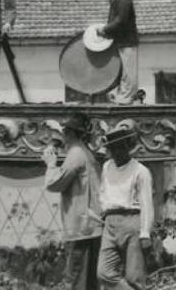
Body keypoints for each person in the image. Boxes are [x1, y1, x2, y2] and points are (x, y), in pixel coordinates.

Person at [42, 113, 103, 290]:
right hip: (91, 225)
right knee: (90, 280)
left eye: (65, 131)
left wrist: (51, 164)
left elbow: (55, 183)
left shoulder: (76, 153)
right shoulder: (86, 152)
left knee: (75, 277)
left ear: (69, 132)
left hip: (80, 226)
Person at [97, 127, 153, 290]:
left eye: (120, 147)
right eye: (112, 148)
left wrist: (145, 233)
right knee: (104, 273)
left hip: (132, 222)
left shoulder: (141, 171)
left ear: (128, 147)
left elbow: (147, 204)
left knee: (134, 277)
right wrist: (104, 214)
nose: (116, 151)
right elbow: (103, 192)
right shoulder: (107, 167)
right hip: (110, 223)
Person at [97, 0, 139, 104]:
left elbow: (121, 19)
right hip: (121, 40)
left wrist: (105, 30)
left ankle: (126, 98)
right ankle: (122, 96)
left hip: (126, 40)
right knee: (123, 69)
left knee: (128, 71)